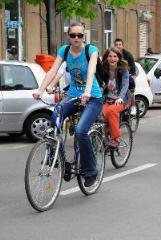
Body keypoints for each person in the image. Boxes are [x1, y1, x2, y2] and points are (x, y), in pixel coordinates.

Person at [33, 22, 102, 187]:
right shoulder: (64, 50)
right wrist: (41, 90)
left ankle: (90, 171)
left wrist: (87, 91)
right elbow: (53, 70)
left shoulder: (90, 50)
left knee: (80, 131)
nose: (77, 38)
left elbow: (91, 70)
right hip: (72, 96)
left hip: (92, 98)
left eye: (80, 35)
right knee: (56, 113)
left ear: (84, 36)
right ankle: (55, 154)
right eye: (73, 35)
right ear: (68, 36)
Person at [101, 47, 132, 148]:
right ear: (106, 58)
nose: (112, 59)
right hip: (107, 98)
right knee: (99, 113)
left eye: (115, 56)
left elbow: (125, 85)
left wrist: (120, 97)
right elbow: (99, 84)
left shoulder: (123, 69)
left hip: (122, 99)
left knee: (111, 111)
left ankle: (116, 138)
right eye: (110, 56)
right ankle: (104, 136)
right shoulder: (103, 69)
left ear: (119, 58)